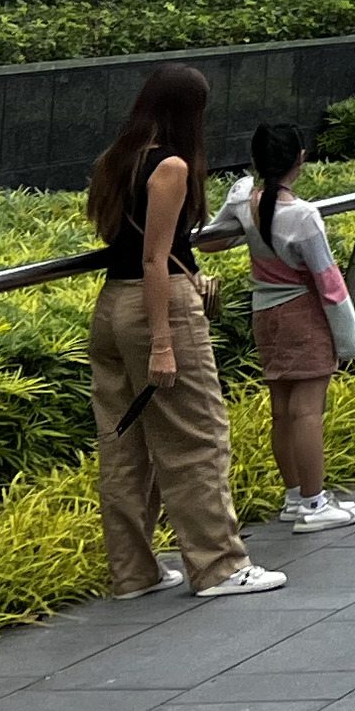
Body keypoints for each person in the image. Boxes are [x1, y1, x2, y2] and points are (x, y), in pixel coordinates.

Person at [87, 63, 280, 601]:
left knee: (124, 444)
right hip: (157, 306)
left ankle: (133, 572)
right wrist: (165, 342)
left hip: (111, 306)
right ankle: (219, 566)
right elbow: (154, 259)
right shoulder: (170, 165)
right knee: (197, 439)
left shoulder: (117, 158)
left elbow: (130, 247)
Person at [218, 121, 355, 533]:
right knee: (307, 412)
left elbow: (210, 239)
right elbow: (330, 284)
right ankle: (315, 503)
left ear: (254, 161)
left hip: (264, 314)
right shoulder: (302, 216)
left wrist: (235, 195)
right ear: (300, 159)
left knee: (282, 412)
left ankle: (295, 497)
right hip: (302, 315)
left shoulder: (247, 203)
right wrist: (347, 339)